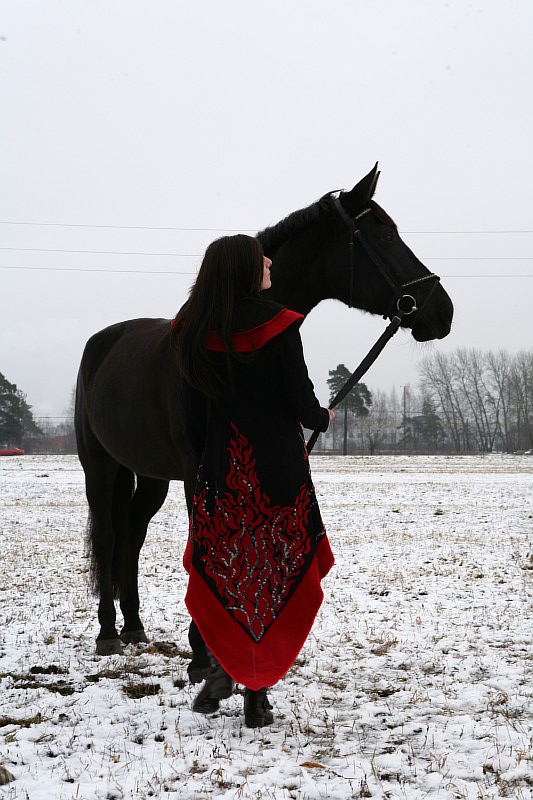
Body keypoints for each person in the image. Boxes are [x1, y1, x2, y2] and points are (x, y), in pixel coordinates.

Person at [172, 234, 335, 728]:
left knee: (227, 575)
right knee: (274, 578)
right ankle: (256, 694)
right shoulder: (280, 325)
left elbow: (191, 419)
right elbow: (300, 401)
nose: (268, 261)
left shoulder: (192, 331)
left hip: (222, 472)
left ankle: (223, 667)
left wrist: (210, 465)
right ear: (242, 269)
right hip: (279, 474)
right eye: (259, 257)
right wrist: (322, 418)